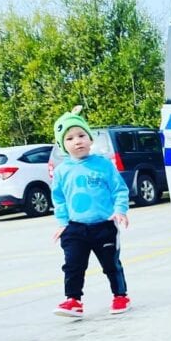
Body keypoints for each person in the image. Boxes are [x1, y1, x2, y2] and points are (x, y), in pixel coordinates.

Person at [50, 107, 130, 317]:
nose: (77, 141)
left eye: (81, 135)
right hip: (74, 228)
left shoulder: (103, 164)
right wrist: (62, 222)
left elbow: (119, 189)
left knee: (111, 264)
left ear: (90, 138)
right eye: (69, 138)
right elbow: (58, 199)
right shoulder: (61, 171)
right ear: (62, 145)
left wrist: (120, 210)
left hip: (103, 225)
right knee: (73, 265)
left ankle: (120, 296)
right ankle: (73, 300)